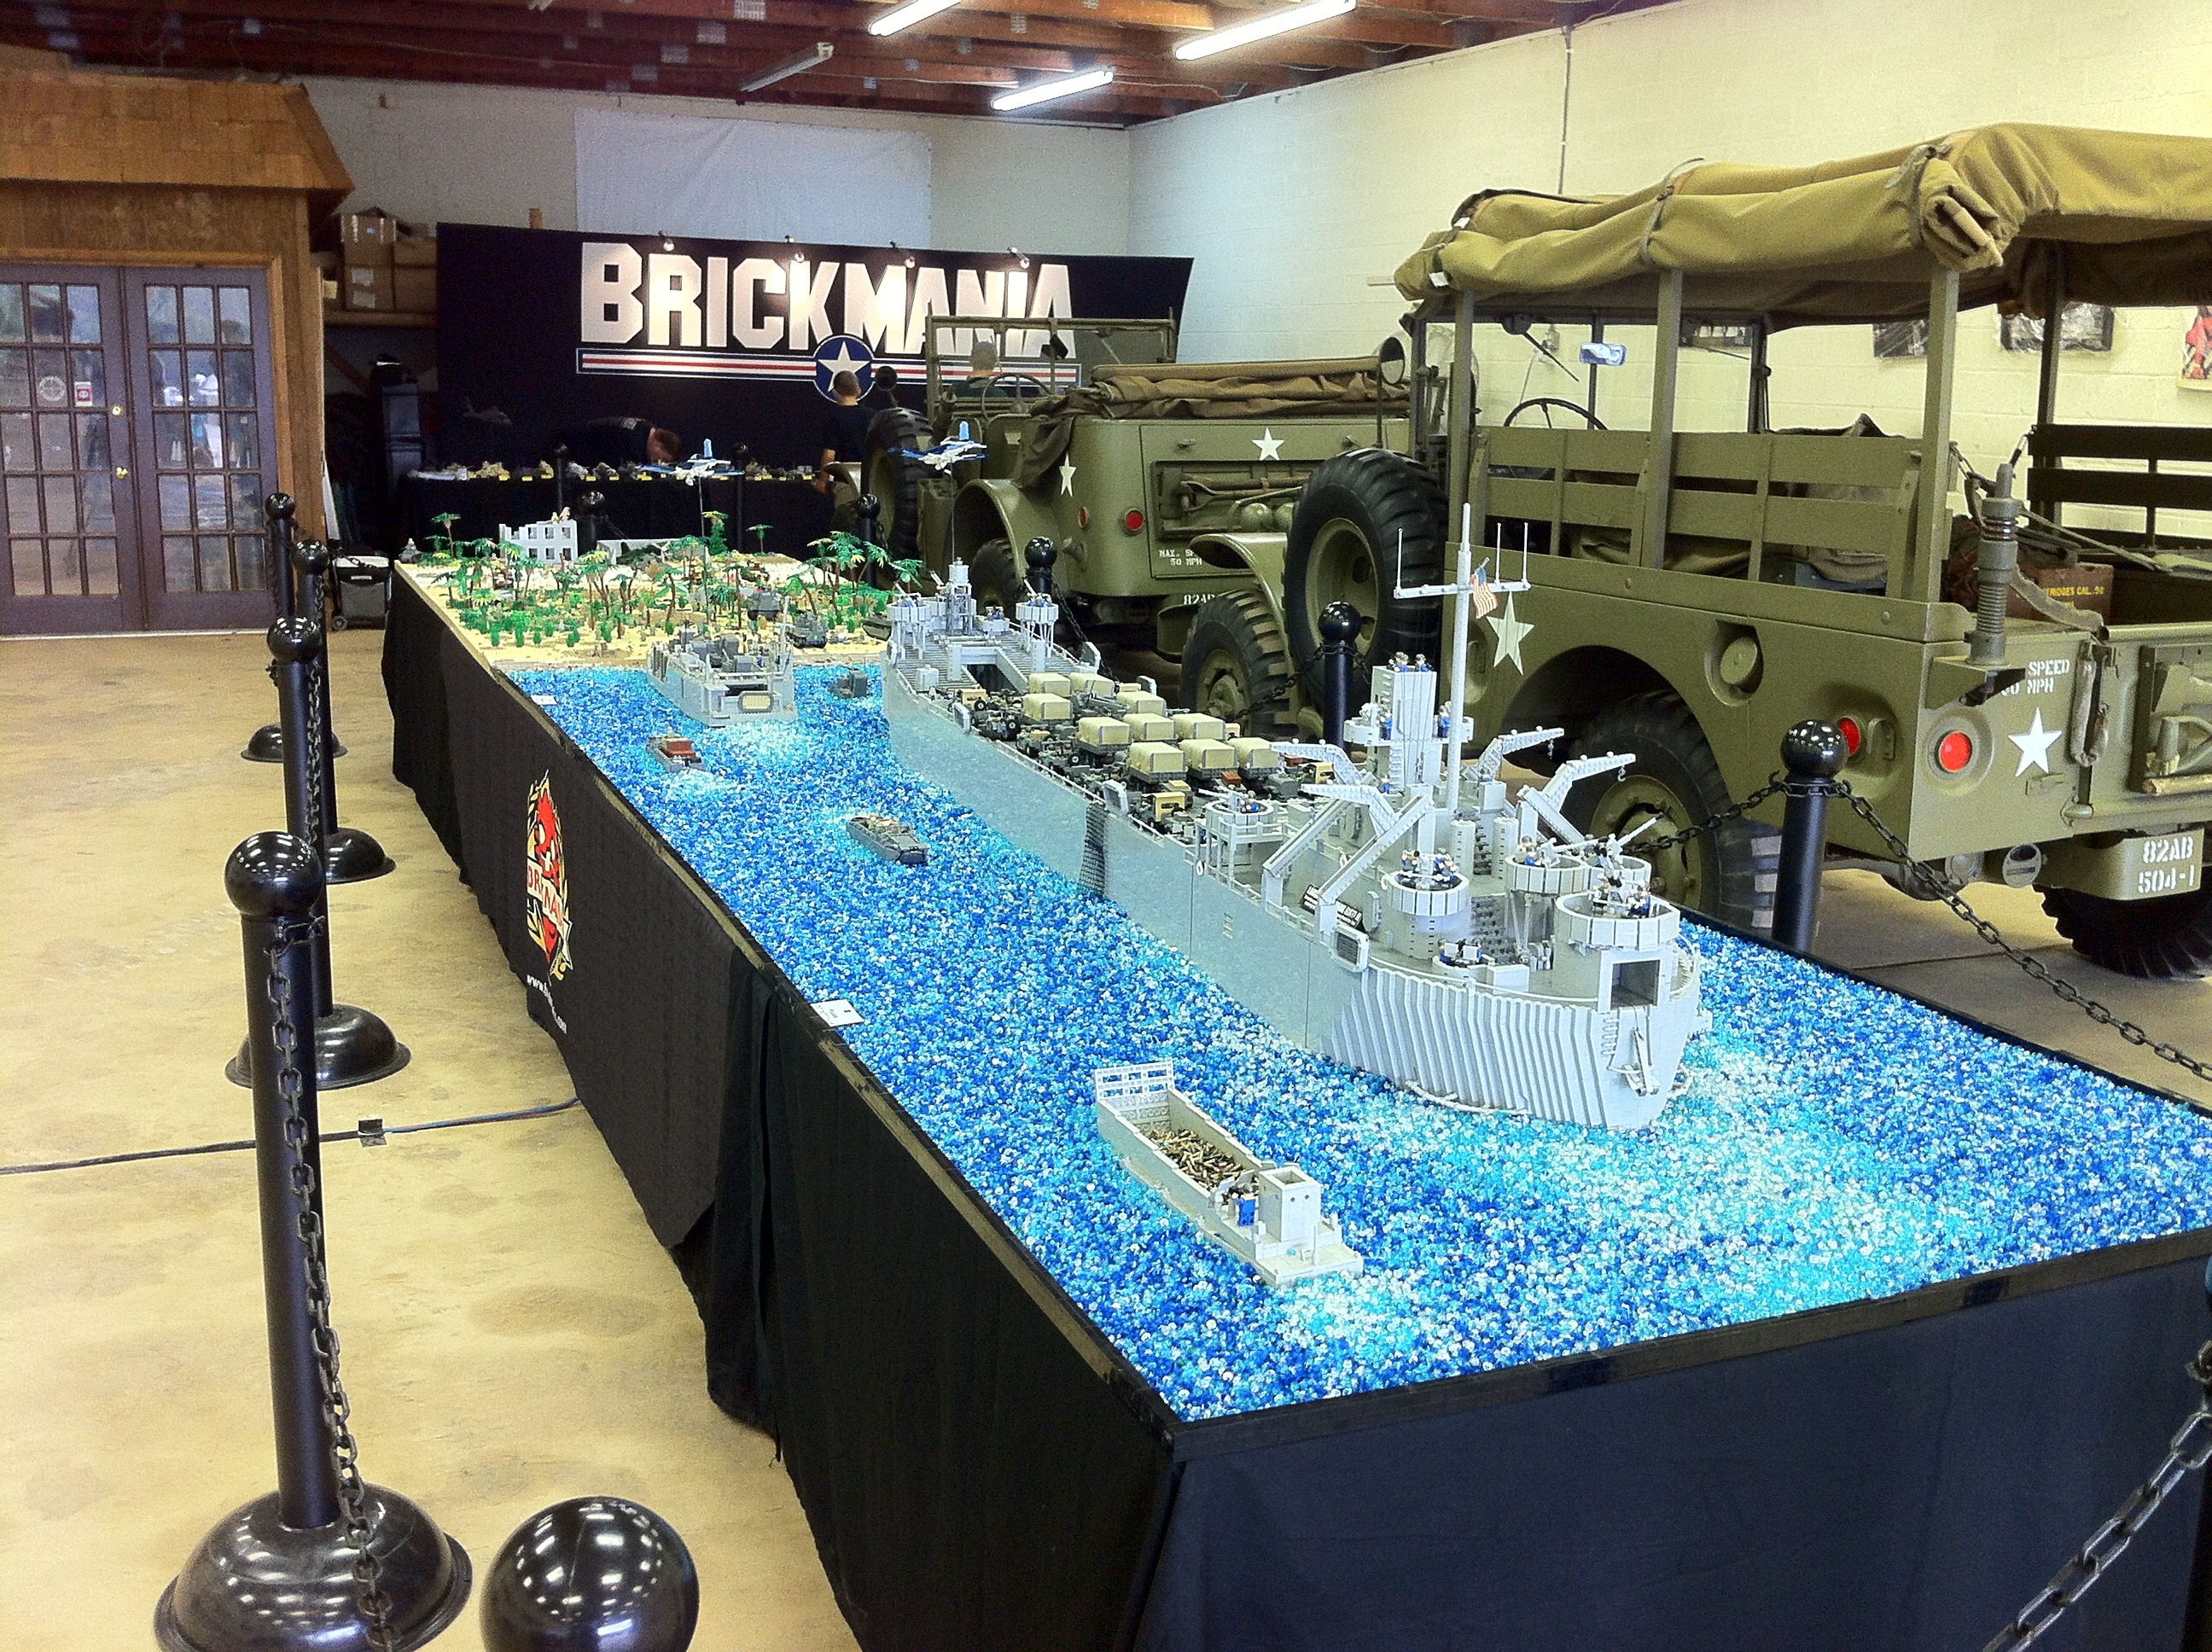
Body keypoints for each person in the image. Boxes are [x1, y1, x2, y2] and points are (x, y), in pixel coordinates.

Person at [816, 371, 874, 495]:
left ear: (835, 392)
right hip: (871, 481)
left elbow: (830, 454)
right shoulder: (872, 416)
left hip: (847, 481)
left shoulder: (833, 418)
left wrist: (823, 480)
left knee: (847, 507)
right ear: (859, 391)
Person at [554, 415, 682, 468]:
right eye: (663, 458)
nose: (659, 462)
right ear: (659, 445)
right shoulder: (635, 439)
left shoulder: (645, 428)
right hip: (572, 446)